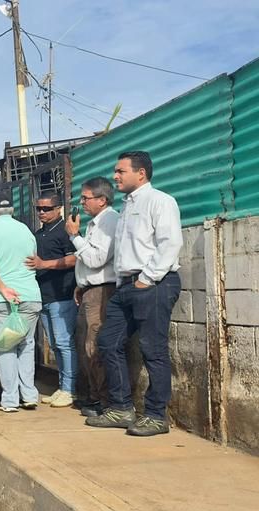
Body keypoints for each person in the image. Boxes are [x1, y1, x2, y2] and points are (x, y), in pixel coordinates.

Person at [89, 151, 182, 436]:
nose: (115, 176)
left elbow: (170, 243)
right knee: (107, 342)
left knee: (152, 350)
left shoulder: (160, 201)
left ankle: (156, 416)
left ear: (140, 173)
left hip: (153, 283)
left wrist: (147, 278)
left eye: (121, 171)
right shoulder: (128, 207)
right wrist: (124, 282)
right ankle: (121, 408)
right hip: (126, 286)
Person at [0, 200, 42, 413]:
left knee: (5, 347)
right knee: (26, 344)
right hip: (29, 295)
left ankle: (11, 399)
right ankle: (29, 395)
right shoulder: (26, 231)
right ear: (12, 211)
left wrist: (2, 287)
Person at [65, 177, 120, 418]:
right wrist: (81, 284)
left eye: (86, 198)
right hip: (90, 290)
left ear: (102, 200)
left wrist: (74, 236)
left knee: (94, 345)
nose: (82, 203)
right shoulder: (96, 223)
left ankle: (104, 400)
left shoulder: (109, 220)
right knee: (86, 345)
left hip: (102, 291)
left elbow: (97, 259)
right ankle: (96, 396)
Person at [25, 194, 78, 408]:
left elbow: (74, 258)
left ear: (58, 209)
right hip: (43, 296)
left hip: (62, 295)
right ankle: (63, 386)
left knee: (65, 343)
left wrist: (44, 264)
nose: (42, 212)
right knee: (55, 344)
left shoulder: (66, 231)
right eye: (38, 208)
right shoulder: (39, 234)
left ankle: (71, 389)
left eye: (46, 209)